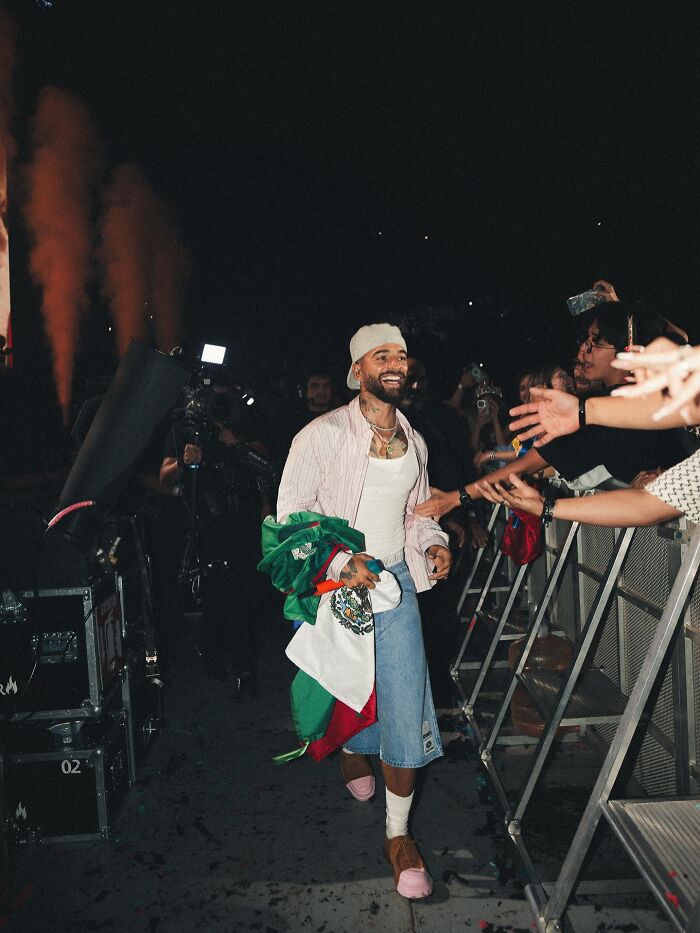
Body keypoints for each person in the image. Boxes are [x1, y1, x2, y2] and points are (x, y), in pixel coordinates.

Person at [276, 323, 451, 899]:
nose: (395, 363)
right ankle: (352, 750)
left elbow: (418, 513)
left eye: (401, 355)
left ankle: (398, 835)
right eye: (382, 356)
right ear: (358, 372)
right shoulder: (320, 436)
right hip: (339, 587)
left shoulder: (414, 440)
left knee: (404, 697)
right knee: (349, 688)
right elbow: (291, 519)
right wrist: (339, 560)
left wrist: (434, 544)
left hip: (396, 585)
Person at [415, 303, 686, 521]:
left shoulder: (620, 406)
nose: (583, 350)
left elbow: (525, 465)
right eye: (585, 340)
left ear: (626, 349)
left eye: (595, 342)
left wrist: (454, 498)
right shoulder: (611, 402)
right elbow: (530, 464)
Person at [160, 377, 272, 694]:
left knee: (246, 593)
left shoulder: (245, 419)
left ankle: (233, 657)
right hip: (207, 523)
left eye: (225, 393)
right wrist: (185, 461)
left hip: (244, 520)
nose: (219, 401)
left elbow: (266, 465)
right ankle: (230, 660)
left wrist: (236, 442)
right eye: (214, 395)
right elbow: (165, 476)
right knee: (218, 594)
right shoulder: (188, 427)